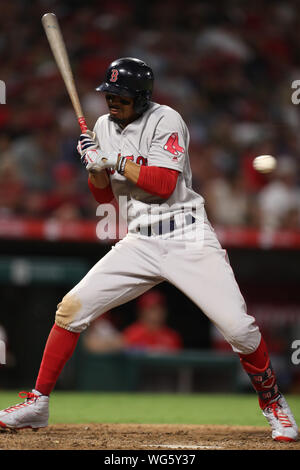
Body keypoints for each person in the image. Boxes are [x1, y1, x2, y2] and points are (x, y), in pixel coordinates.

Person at [0, 57, 297, 442]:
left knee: (239, 329)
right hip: (140, 239)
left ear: (142, 98)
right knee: (71, 309)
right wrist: (94, 169)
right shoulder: (104, 127)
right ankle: (38, 402)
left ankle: (274, 403)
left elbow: (163, 186)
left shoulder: (166, 120)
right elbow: (105, 196)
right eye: (109, 95)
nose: (112, 102)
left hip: (187, 235)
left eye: (121, 96)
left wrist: (115, 160)